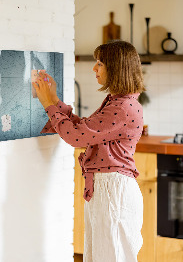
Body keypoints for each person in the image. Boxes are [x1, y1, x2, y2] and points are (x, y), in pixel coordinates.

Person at [33, 40, 145, 262]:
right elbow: (84, 129)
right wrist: (54, 100)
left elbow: (76, 137)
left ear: (116, 68)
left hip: (113, 191)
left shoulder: (122, 107)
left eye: (100, 63)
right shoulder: (118, 102)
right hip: (108, 189)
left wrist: (48, 104)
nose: (94, 68)